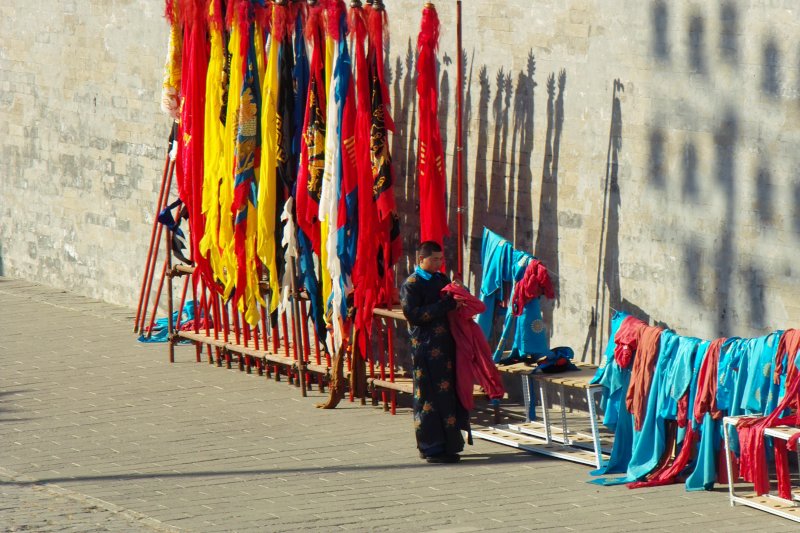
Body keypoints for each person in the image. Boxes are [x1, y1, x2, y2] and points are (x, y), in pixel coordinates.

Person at [400, 241, 470, 463]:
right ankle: (430, 447)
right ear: (422, 259)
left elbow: (453, 302)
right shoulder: (412, 284)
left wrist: (459, 294)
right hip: (425, 347)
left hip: (446, 346)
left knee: (447, 396)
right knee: (427, 397)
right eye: (435, 259)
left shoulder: (441, 280)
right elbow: (413, 315)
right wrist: (445, 306)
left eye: (441, 259)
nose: (439, 263)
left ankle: (450, 445)